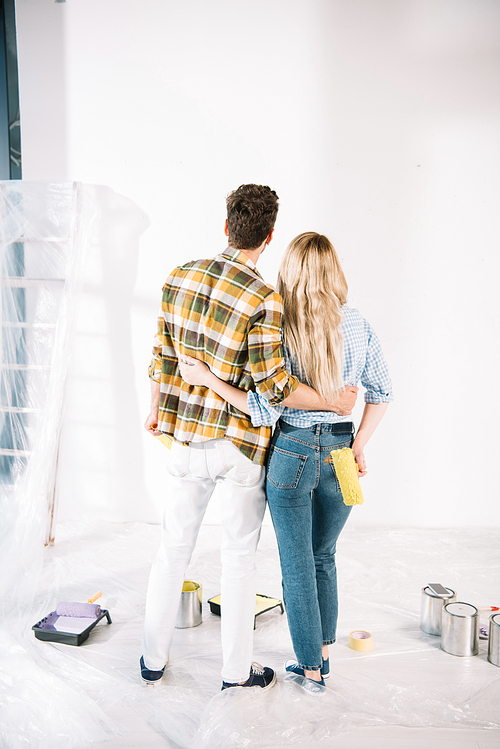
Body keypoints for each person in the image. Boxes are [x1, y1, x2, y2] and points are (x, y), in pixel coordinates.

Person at [141, 189, 358, 691]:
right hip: (240, 447)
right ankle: (237, 674)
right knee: (238, 559)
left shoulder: (179, 276)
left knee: (172, 548)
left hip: (186, 440)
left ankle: (153, 661)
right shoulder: (264, 299)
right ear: (269, 236)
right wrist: (333, 402)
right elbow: (276, 388)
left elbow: (160, 354)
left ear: (225, 227)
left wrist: (155, 407)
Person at [179, 231, 393, 690]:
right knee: (324, 556)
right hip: (342, 455)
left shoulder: (279, 326)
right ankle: (324, 655)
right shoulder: (358, 324)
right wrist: (358, 445)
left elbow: (260, 406)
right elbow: (382, 394)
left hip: (291, 452)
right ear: (334, 270)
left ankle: (310, 668)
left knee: (297, 564)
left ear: (290, 271)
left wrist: (208, 379)